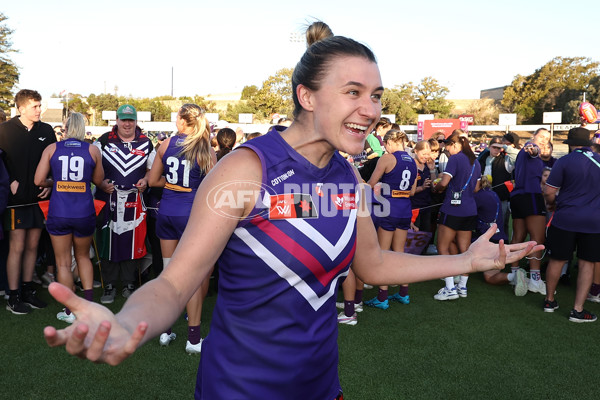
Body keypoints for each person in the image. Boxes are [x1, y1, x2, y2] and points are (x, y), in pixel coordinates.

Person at [44, 23, 542, 400]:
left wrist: (470, 262)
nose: (371, 109)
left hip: (322, 385)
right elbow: (176, 282)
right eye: (353, 93)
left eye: (375, 96)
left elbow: (372, 265)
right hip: (239, 389)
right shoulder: (245, 169)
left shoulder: (347, 176)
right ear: (306, 95)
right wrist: (129, 324)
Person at [148, 103, 216, 353]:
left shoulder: (165, 145)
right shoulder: (204, 148)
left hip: (166, 212)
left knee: (169, 274)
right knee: (194, 278)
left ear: (180, 120)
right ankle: (194, 339)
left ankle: (165, 331)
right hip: (191, 216)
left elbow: (153, 180)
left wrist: (174, 183)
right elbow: (213, 187)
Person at [34, 112, 106, 323]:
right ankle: (89, 306)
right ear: (82, 128)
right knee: (83, 257)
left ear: (65, 129)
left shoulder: (52, 148)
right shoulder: (92, 150)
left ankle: (70, 312)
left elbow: (38, 179)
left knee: (63, 263)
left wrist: (54, 183)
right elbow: (98, 180)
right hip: (84, 211)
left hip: (59, 211)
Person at [0, 89, 56, 314]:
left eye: (39, 105)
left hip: (38, 200)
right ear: (21, 108)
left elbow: (54, 162)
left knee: (33, 246)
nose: (39, 110)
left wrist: (50, 182)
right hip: (15, 202)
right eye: (34, 106)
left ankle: (28, 290)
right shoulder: (3, 130)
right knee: (18, 246)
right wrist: (10, 179)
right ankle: (13, 295)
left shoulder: (47, 130)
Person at [93, 104, 155, 304]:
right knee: (106, 242)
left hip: (135, 201)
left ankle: (130, 283)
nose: (127, 124)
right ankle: (109, 285)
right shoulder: (102, 141)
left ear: (136, 121)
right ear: (116, 121)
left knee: (133, 241)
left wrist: (146, 180)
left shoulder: (146, 143)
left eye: (131, 120)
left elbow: (152, 169)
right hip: (107, 200)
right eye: (123, 119)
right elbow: (90, 165)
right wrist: (100, 183)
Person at [543, 127, 600, 322]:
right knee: (587, 263)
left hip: (565, 218)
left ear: (570, 143)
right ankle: (577, 310)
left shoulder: (564, 161)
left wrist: (552, 205)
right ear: (590, 142)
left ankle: (549, 300)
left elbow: (549, 191)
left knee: (557, 260)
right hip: (593, 221)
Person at [364, 129, 417, 309]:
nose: (385, 148)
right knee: (400, 252)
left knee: (384, 253)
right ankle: (403, 293)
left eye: (385, 145)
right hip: (405, 208)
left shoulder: (387, 158)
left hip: (388, 208)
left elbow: (371, 184)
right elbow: (412, 191)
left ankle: (382, 296)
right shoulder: (413, 162)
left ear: (390, 142)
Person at [431, 130, 481, 300]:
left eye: (448, 145)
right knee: (465, 250)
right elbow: (476, 188)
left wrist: (435, 187)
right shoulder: (476, 162)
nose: (446, 149)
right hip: (470, 209)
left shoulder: (455, 158)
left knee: (443, 247)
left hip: (452, 209)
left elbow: (443, 183)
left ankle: (450, 288)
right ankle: (463, 287)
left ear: (455, 145)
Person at [509, 128, 549, 295]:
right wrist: (533, 148)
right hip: (530, 196)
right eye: (541, 136)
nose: (543, 140)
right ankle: (535, 280)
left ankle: (514, 274)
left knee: (518, 236)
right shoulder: (530, 147)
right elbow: (532, 150)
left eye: (547, 138)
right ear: (534, 136)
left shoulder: (523, 154)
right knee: (537, 239)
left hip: (518, 196)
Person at [477, 136, 514, 234]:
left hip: (501, 198)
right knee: (483, 223)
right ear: (489, 147)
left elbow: (517, 156)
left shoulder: (505, 159)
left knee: (501, 224)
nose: (497, 150)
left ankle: (503, 244)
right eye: (494, 147)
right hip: (483, 197)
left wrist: (505, 147)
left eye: (499, 148)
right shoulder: (482, 159)